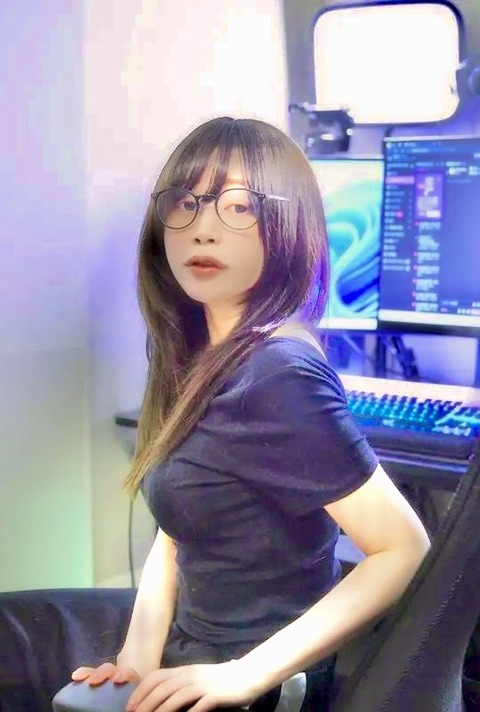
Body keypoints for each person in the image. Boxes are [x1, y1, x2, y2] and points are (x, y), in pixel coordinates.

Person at [71, 117, 430, 712]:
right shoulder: (195, 353)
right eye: (186, 203)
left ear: (288, 227)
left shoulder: (278, 374)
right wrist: (135, 662)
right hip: (188, 650)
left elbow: (403, 548)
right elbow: (177, 532)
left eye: (238, 207)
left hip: (258, 684)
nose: (202, 228)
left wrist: (243, 675)